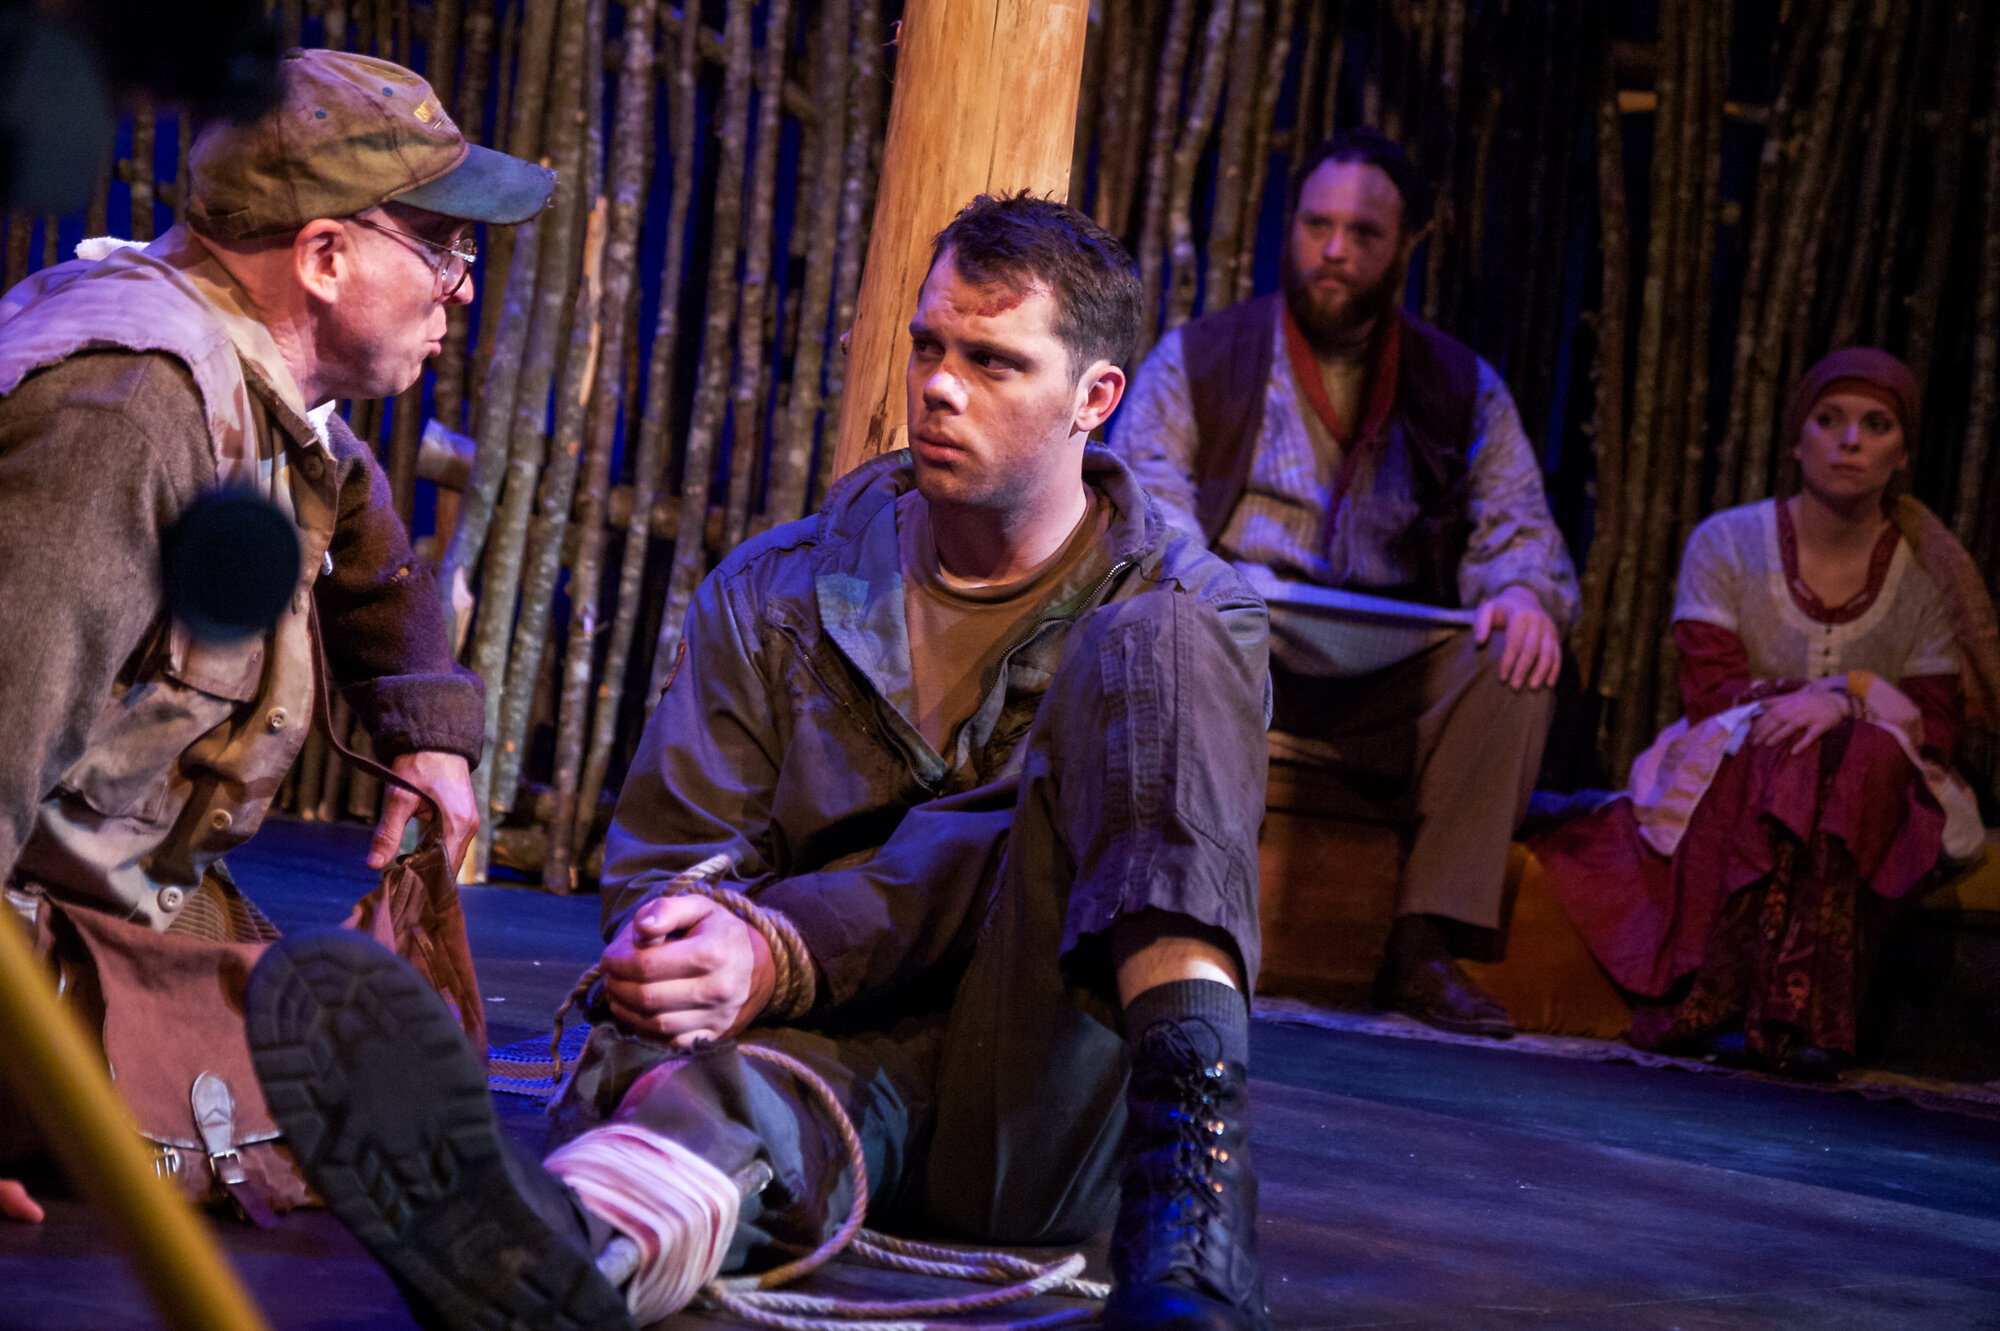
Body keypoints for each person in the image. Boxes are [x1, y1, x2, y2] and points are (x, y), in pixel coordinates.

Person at [244, 194, 1275, 1330]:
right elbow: (669, 871)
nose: (939, 385)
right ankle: (554, 1260)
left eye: (992, 362)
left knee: (1153, 651)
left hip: (1031, 1094)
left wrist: (788, 945)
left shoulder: (1178, 616)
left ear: (1094, 398)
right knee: (718, 1102)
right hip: (813, 1070)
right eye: (928, 346)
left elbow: (1025, 853)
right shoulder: (776, 592)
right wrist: (691, 952)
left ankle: (1196, 1221)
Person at [0, 49, 557, 1221]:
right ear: (323, 256)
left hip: (117, 896)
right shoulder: (129, 414)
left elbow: (349, 506)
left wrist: (423, 718)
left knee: (379, 1076)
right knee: (307, 1132)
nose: (460, 287)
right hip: (29, 922)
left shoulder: (244, 379)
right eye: (440, 245)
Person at [1112, 127, 1577, 1039]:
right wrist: (1202, 580)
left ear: (1406, 246)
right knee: (1167, 612)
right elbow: (1147, 500)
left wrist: (1523, 592)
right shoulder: (1202, 356)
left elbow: (1519, 530)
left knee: (1516, 658)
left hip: (1390, 656)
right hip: (1243, 632)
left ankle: (1423, 939)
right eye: (1318, 226)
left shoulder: (1460, 385)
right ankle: (1182, 913)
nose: (1334, 250)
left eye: (1363, 234)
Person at [1536, 348, 1999, 1078]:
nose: (1850, 441)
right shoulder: (1728, 542)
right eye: (1829, 420)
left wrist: (1844, 704)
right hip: (1739, 755)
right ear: (1796, 439)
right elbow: (1711, 690)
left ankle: (1807, 1010)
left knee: (1863, 755)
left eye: (1876, 425)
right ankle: (1738, 995)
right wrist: (1841, 693)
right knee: (1795, 748)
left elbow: (1934, 726)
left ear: (1903, 453)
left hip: (1874, 777)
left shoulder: (1923, 577)